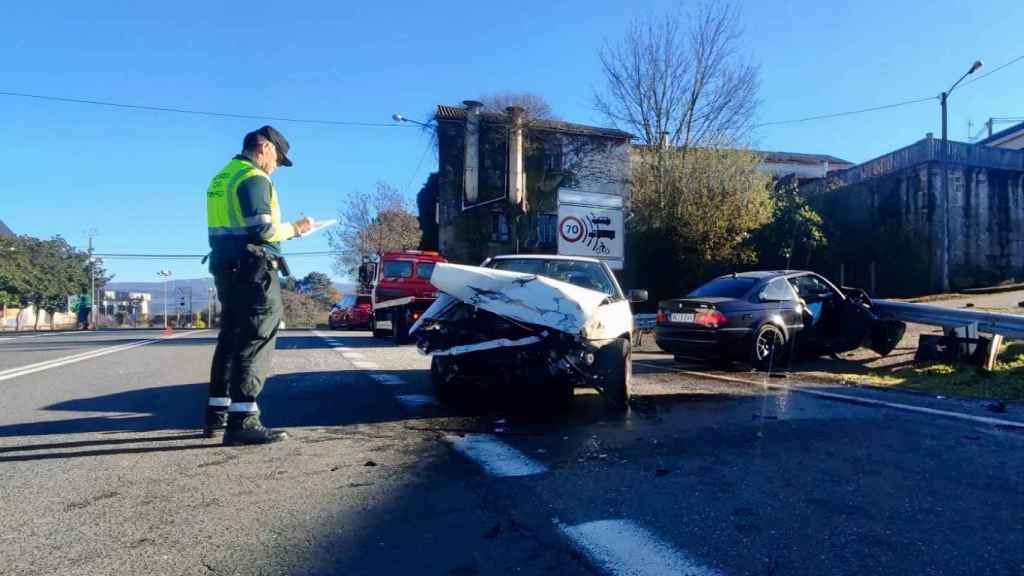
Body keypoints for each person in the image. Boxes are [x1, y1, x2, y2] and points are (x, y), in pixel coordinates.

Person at [204, 125, 312, 445]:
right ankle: (244, 420)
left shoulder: (222, 177)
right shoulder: (254, 178)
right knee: (256, 336)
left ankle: (217, 416)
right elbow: (263, 230)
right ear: (264, 148)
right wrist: (297, 228)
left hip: (226, 265)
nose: (277, 165)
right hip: (253, 270)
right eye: (278, 157)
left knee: (231, 339)